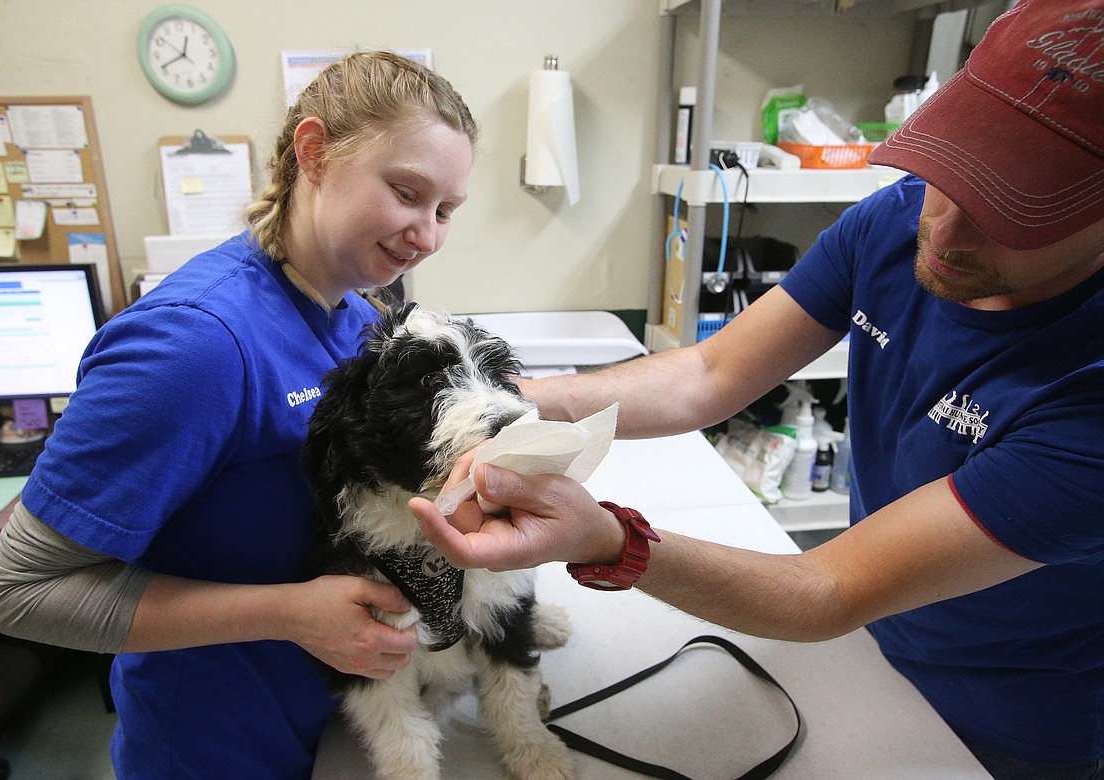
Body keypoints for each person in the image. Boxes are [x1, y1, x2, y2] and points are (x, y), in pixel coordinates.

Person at [410, 2, 1104, 778]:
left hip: (1005, 717)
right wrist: (519, 401)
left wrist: (607, 540)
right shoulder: (896, 221)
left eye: (1011, 209)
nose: (945, 229)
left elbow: (828, 585)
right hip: (868, 649)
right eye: (950, 171)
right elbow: (708, 373)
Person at [0, 51, 477, 779]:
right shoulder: (196, 345)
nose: (426, 235)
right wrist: (291, 613)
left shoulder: (353, 314)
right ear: (314, 152)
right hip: (218, 740)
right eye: (406, 193)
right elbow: (19, 595)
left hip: (338, 716)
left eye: (446, 211)